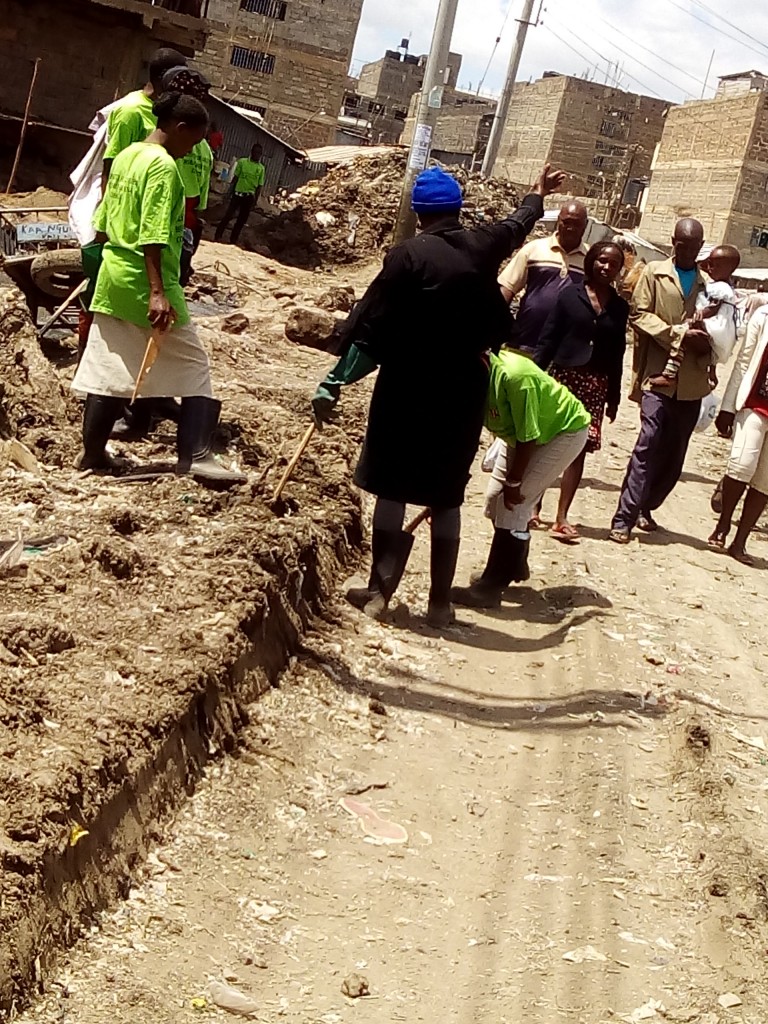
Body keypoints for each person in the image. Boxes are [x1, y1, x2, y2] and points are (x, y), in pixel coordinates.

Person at [310, 163, 567, 628]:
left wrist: (335, 381)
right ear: (457, 208)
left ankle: (378, 592)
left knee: (391, 489)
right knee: (446, 496)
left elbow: (371, 326)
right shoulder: (483, 244)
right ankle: (439, 604)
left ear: (417, 211)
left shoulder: (406, 256)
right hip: (462, 391)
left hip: (406, 388)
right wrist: (537, 194)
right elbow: (516, 224)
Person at [71, 93, 244, 486]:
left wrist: (97, 269)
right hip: (146, 280)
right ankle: (195, 455)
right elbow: (152, 234)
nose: (192, 151)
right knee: (195, 366)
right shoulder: (165, 168)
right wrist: (156, 291)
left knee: (110, 367)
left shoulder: (129, 155)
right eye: (193, 141)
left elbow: (103, 217)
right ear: (180, 129)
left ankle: (93, 453)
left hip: (114, 274)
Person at [451, 350, 591, 608]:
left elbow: (529, 437)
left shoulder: (514, 377)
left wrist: (515, 482)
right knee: (494, 500)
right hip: (519, 434)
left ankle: (491, 586)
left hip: (562, 432)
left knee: (513, 503)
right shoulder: (464, 375)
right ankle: (515, 562)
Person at [609, 218, 711, 544]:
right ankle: (623, 517)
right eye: (683, 245)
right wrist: (678, 335)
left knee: (674, 455)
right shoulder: (654, 272)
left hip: (691, 384)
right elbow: (639, 314)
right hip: (657, 377)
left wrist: (707, 345)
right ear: (673, 242)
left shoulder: (709, 285)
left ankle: (647, 505)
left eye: (695, 247)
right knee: (647, 444)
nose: (689, 251)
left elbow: (720, 334)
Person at [534, 241, 629, 542]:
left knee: (579, 449)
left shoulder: (620, 306)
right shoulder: (569, 296)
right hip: (563, 377)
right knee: (546, 441)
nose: (606, 267)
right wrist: (535, 377)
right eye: (602, 261)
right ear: (591, 262)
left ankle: (561, 517)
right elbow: (548, 338)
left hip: (595, 384)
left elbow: (617, 354)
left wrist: (613, 397)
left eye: (613, 264)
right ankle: (532, 506)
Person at [708, 304, 768, 564]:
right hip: (754, 403)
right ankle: (723, 525)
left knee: (765, 480)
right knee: (743, 464)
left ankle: (740, 542)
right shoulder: (763, 316)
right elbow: (743, 362)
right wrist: (727, 408)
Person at [498, 200, 589, 355]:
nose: (570, 228)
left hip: (563, 350)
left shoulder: (591, 259)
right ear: (558, 221)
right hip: (525, 341)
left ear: (585, 225)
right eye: (566, 222)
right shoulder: (534, 249)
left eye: (577, 224)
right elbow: (507, 288)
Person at [648, 244, 740, 390]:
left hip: (715, 324)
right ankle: (711, 373)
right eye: (708, 263)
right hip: (722, 328)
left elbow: (714, 308)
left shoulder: (721, 288)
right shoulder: (724, 285)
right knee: (711, 351)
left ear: (728, 269)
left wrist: (698, 317)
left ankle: (670, 374)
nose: (709, 268)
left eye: (714, 265)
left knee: (683, 335)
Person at [214, 145, 266, 244]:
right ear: (251, 152)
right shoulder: (242, 162)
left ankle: (233, 239)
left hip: (249, 196)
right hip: (238, 194)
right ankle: (218, 235)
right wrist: (229, 193)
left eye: (259, 153)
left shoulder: (261, 169)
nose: (257, 155)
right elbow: (235, 179)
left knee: (241, 220)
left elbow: (259, 186)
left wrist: (255, 201)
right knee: (228, 215)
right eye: (255, 152)